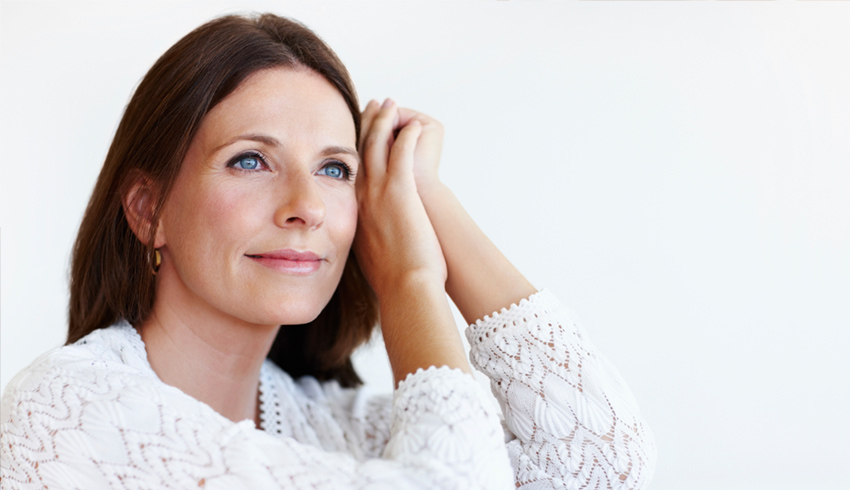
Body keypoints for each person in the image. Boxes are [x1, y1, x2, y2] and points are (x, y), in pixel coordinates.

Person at [0, 13, 656, 490]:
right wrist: (410, 281)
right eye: (250, 160)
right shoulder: (70, 412)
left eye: (335, 170)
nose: (307, 206)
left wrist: (423, 192)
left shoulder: (331, 424)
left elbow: (602, 465)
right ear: (148, 210)